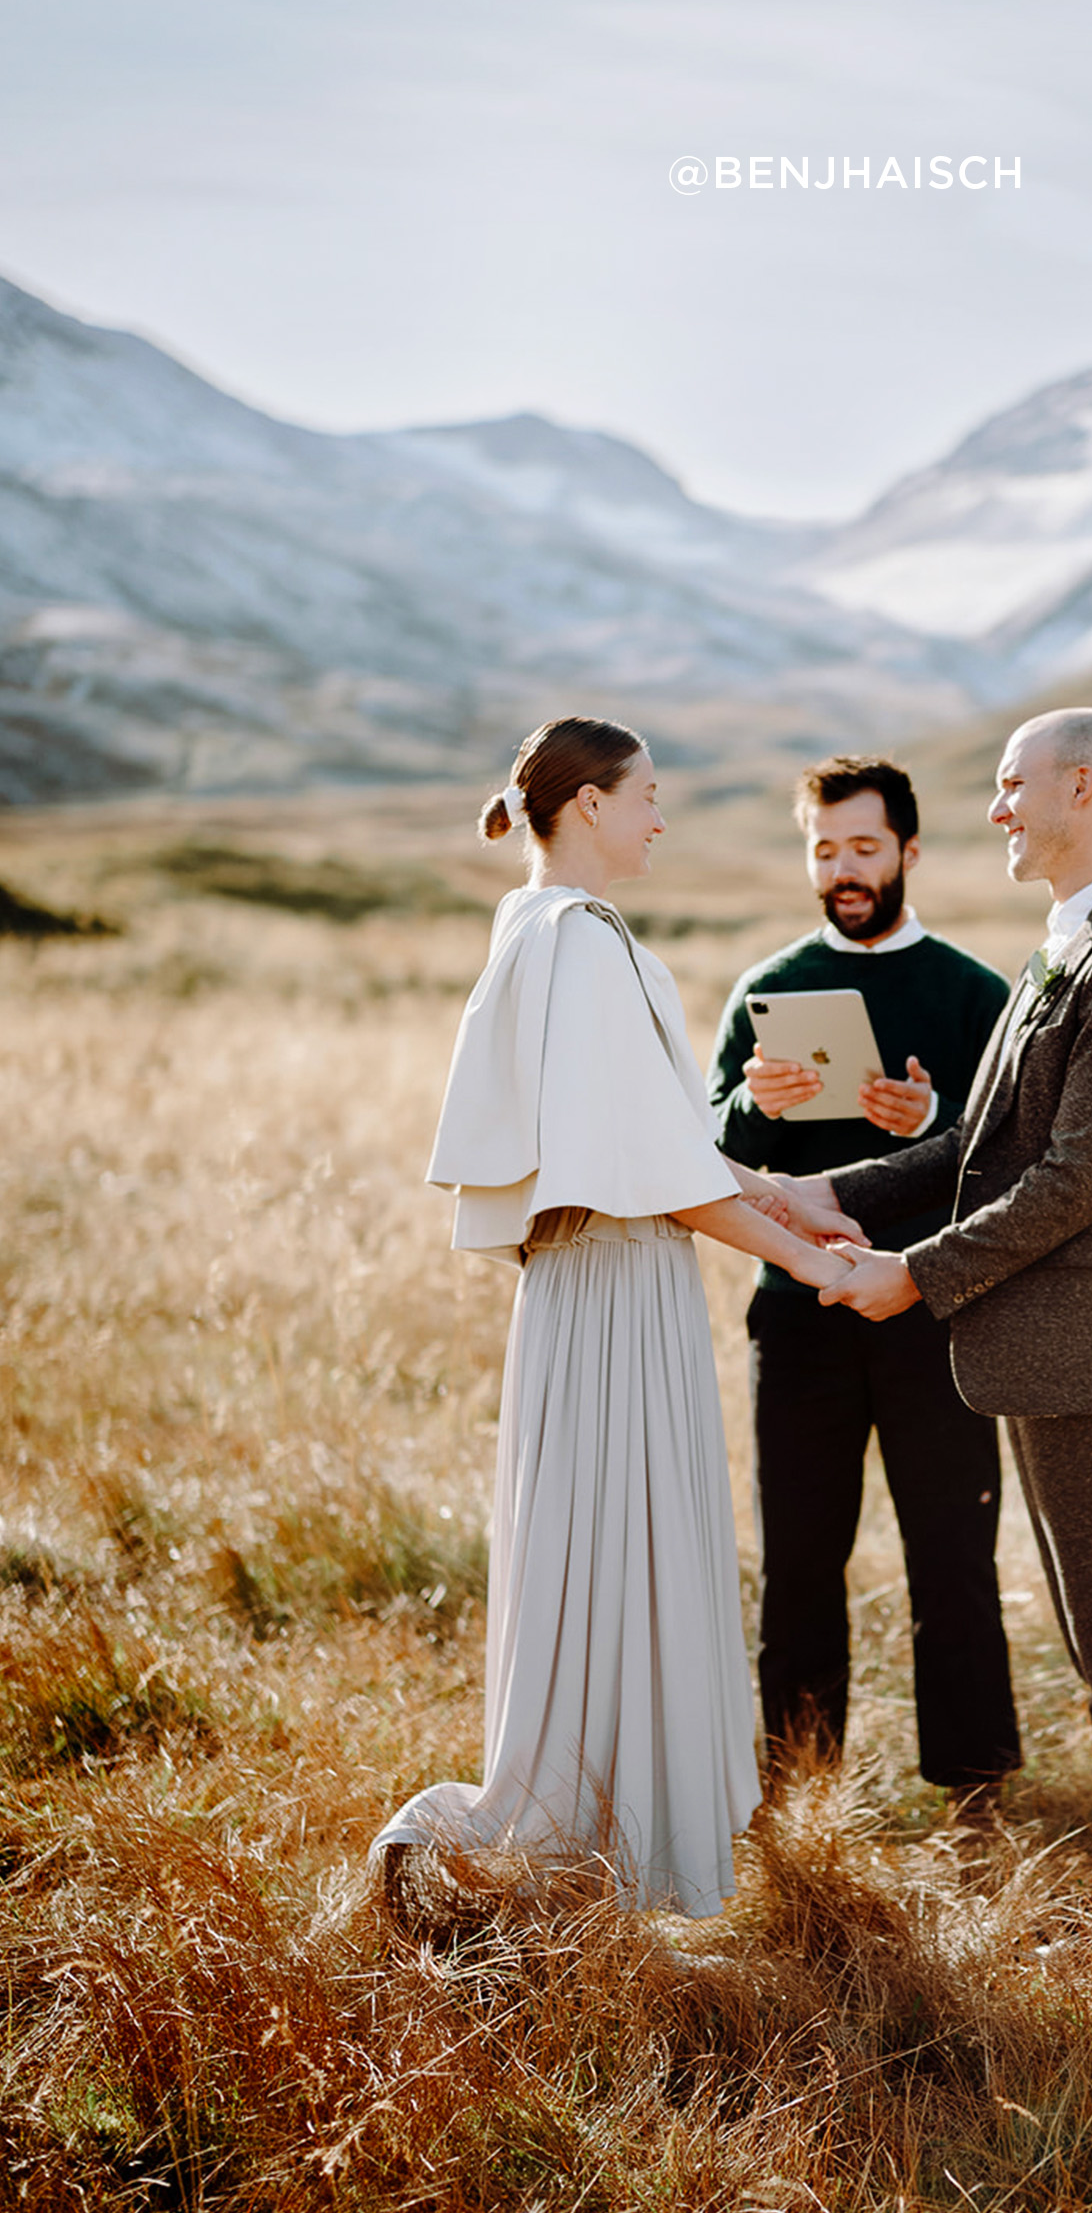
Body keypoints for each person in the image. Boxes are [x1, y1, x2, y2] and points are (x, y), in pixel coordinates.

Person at [370, 715, 857, 1920]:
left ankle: (610, 1828)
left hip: (600, 1284)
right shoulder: (579, 947)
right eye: (646, 793)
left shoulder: (541, 929)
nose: (658, 814)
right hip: (614, 1287)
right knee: (621, 1540)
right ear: (586, 802)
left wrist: (786, 1196)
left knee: (614, 1543)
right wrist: (808, 1259)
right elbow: (665, 1178)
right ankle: (594, 1835)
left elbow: (668, 1144)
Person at [782, 710, 1092, 1896]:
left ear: (1084, 788)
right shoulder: (1067, 943)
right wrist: (812, 1188)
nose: (995, 810)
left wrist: (914, 1275)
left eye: (1011, 784)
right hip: (1043, 1352)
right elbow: (980, 1147)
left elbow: (1074, 1180)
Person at [707, 757, 1021, 1800]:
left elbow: (1015, 1154)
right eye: (824, 848)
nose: (843, 869)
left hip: (933, 1310)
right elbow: (705, 1153)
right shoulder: (766, 989)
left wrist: (928, 1125)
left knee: (952, 1557)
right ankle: (800, 1788)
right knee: (799, 1563)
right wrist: (754, 1107)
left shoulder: (977, 993)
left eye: (864, 847)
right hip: (795, 1320)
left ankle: (974, 1786)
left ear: (909, 852)